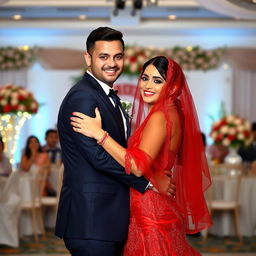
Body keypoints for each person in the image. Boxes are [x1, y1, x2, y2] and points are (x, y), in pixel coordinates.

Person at [71, 56, 213, 255]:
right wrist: (155, 176)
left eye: (157, 81)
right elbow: (158, 160)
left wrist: (99, 134)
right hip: (156, 202)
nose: (147, 85)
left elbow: (137, 165)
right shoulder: (172, 113)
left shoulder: (160, 116)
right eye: (145, 78)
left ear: (172, 88)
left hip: (150, 208)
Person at [55, 27, 175, 256]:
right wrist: (148, 181)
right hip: (91, 219)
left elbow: (123, 151)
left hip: (108, 218)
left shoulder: (105, 95)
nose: (112, 63)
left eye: (117, 56)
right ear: (88, 58)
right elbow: (98, 158)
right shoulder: (83, 96)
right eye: (103, 56)